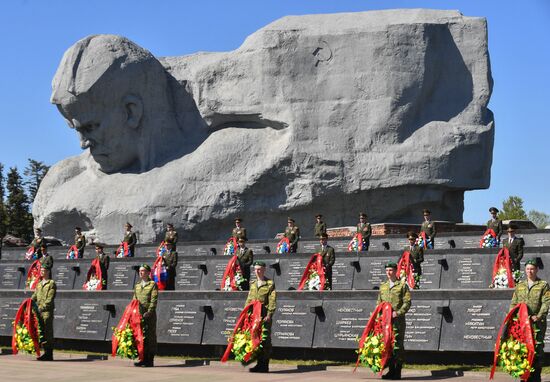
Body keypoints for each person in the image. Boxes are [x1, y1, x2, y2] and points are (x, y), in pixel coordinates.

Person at [509, 259, 550, 382]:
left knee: (537, 349)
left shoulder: (543, 285)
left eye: (532, 268)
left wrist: (539, 315)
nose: (530, 271)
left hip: (537, 324)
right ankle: (524, 377)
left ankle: (536, 377)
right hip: (521, 324)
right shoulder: (520, 285)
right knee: (523, 349)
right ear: (525, 270)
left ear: (537, 269)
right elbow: (514, 303)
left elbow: (546, 302)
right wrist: (511, 316)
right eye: (527, 269)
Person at [377, 261, 411, 380]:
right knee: (388, 345)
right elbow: (379, 304)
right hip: (385, 322)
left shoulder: (402, 286)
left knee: (398, 345)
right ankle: (391, 371)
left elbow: (407, 303)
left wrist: (398, 313)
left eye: (391, 270)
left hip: (398, 321)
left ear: (396, 271)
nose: (388, 272)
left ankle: (398, 371)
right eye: (387, 270)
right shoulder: (383, 286)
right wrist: (378, 318)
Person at [245, 261, 277, 373]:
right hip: (254, 316)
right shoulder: (253, 284)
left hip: (264, 316)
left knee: (265, 340)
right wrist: (245, 314)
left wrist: (269, 314)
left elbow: (272, 300)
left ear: (264, 269)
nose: (257, 271)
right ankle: (259, 364)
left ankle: (264, 365)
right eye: (255, 269)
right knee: (256, 339)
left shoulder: (269, 284)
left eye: (259, 269)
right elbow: (249, 300)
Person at [133, 264, 158, 367]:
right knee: (141, 337)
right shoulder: (137, 285)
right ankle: (142, 359)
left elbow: (154, 300)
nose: (141, 272)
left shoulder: (152, 284)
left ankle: (150, 360)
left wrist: (150, 311)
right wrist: (132, 312)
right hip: (139, 315)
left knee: (150, 337)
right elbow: (134, 299)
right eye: (140, 271)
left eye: (143, 271)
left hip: (149, 315)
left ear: (148, 273)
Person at [31, 263, 57, 361]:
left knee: (48, 332)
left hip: (46, 312)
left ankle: (49, 354)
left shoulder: (51, 283)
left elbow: (50, 299)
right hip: (39, 312)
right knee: (41, 332)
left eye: (44, 270)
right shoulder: (39, 284)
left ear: (48, 272)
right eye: (41, 270)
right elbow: (34, 296)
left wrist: (41, 308)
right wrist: (29, 303)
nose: (42, 272)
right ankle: (45, 353)